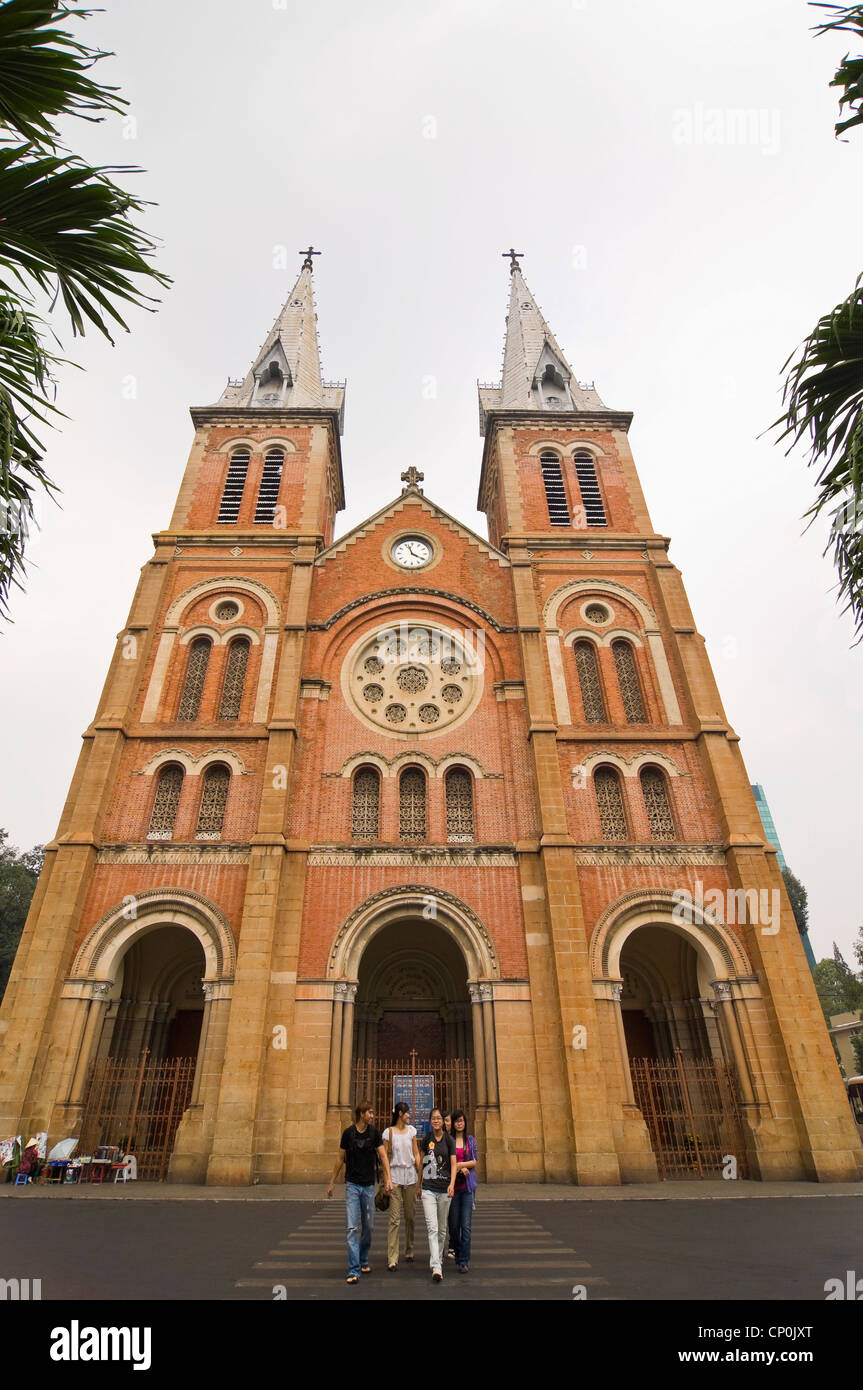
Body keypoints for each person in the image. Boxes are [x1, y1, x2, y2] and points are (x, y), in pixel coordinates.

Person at [327, 1099, 392, 1284]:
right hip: (353, 1186)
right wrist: (332, 1182)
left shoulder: (374, 1133)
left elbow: (383, 1155)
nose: (372, 1115)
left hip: (369, 1186)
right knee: (352, 1227)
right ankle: (354, 1269)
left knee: (369, 1227)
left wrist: (388, 1179)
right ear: (361, 1114)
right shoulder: (348, 1134)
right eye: (370, 1112)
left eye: (372, 1112)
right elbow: (340, 1159)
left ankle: (363, 1258)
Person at [381, 1102, 420, 1270]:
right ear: (399, 1114)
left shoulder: (411, 1131)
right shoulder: (388, 1133)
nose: (408, 1116)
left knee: (410, 1217)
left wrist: (421, 1172)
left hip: (411, 1176)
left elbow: (416, 1153)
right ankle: (392, 1257)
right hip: (395, 1177)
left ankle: (409, 1249)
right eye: (406, 1113)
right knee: (394, 1219)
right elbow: (384, 1159)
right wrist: (386, 1180)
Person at [418, 1106, 456, 1282]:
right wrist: (419, 1184)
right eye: (433, 1118)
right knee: (432, 1228)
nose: (436, 1120)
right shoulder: (426, 1139)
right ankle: (437, 1265)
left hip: (444, 1188)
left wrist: (452, 1184)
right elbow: (422, 1163)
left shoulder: (449, 1140)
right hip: (428, 1188)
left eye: (439, 1118)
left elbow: (454, 1164)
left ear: (443, 1120)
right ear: (430, 1121)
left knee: (441, 1230)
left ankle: (437, 1258)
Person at [448, 1109, 478, 1271]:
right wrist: (458, 1168)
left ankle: (464, 1260)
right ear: (453, 1124)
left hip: (466, 1187)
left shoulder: (470, 1140)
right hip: (452, 1188)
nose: (460, 1123)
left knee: (465, 1225)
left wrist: (461, 1166)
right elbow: (445, 1162)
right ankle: (458, 1252)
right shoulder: (449, 1140)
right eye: (457, 1121)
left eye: (462, 1121)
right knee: (453, 1226)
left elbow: (474, 1160)